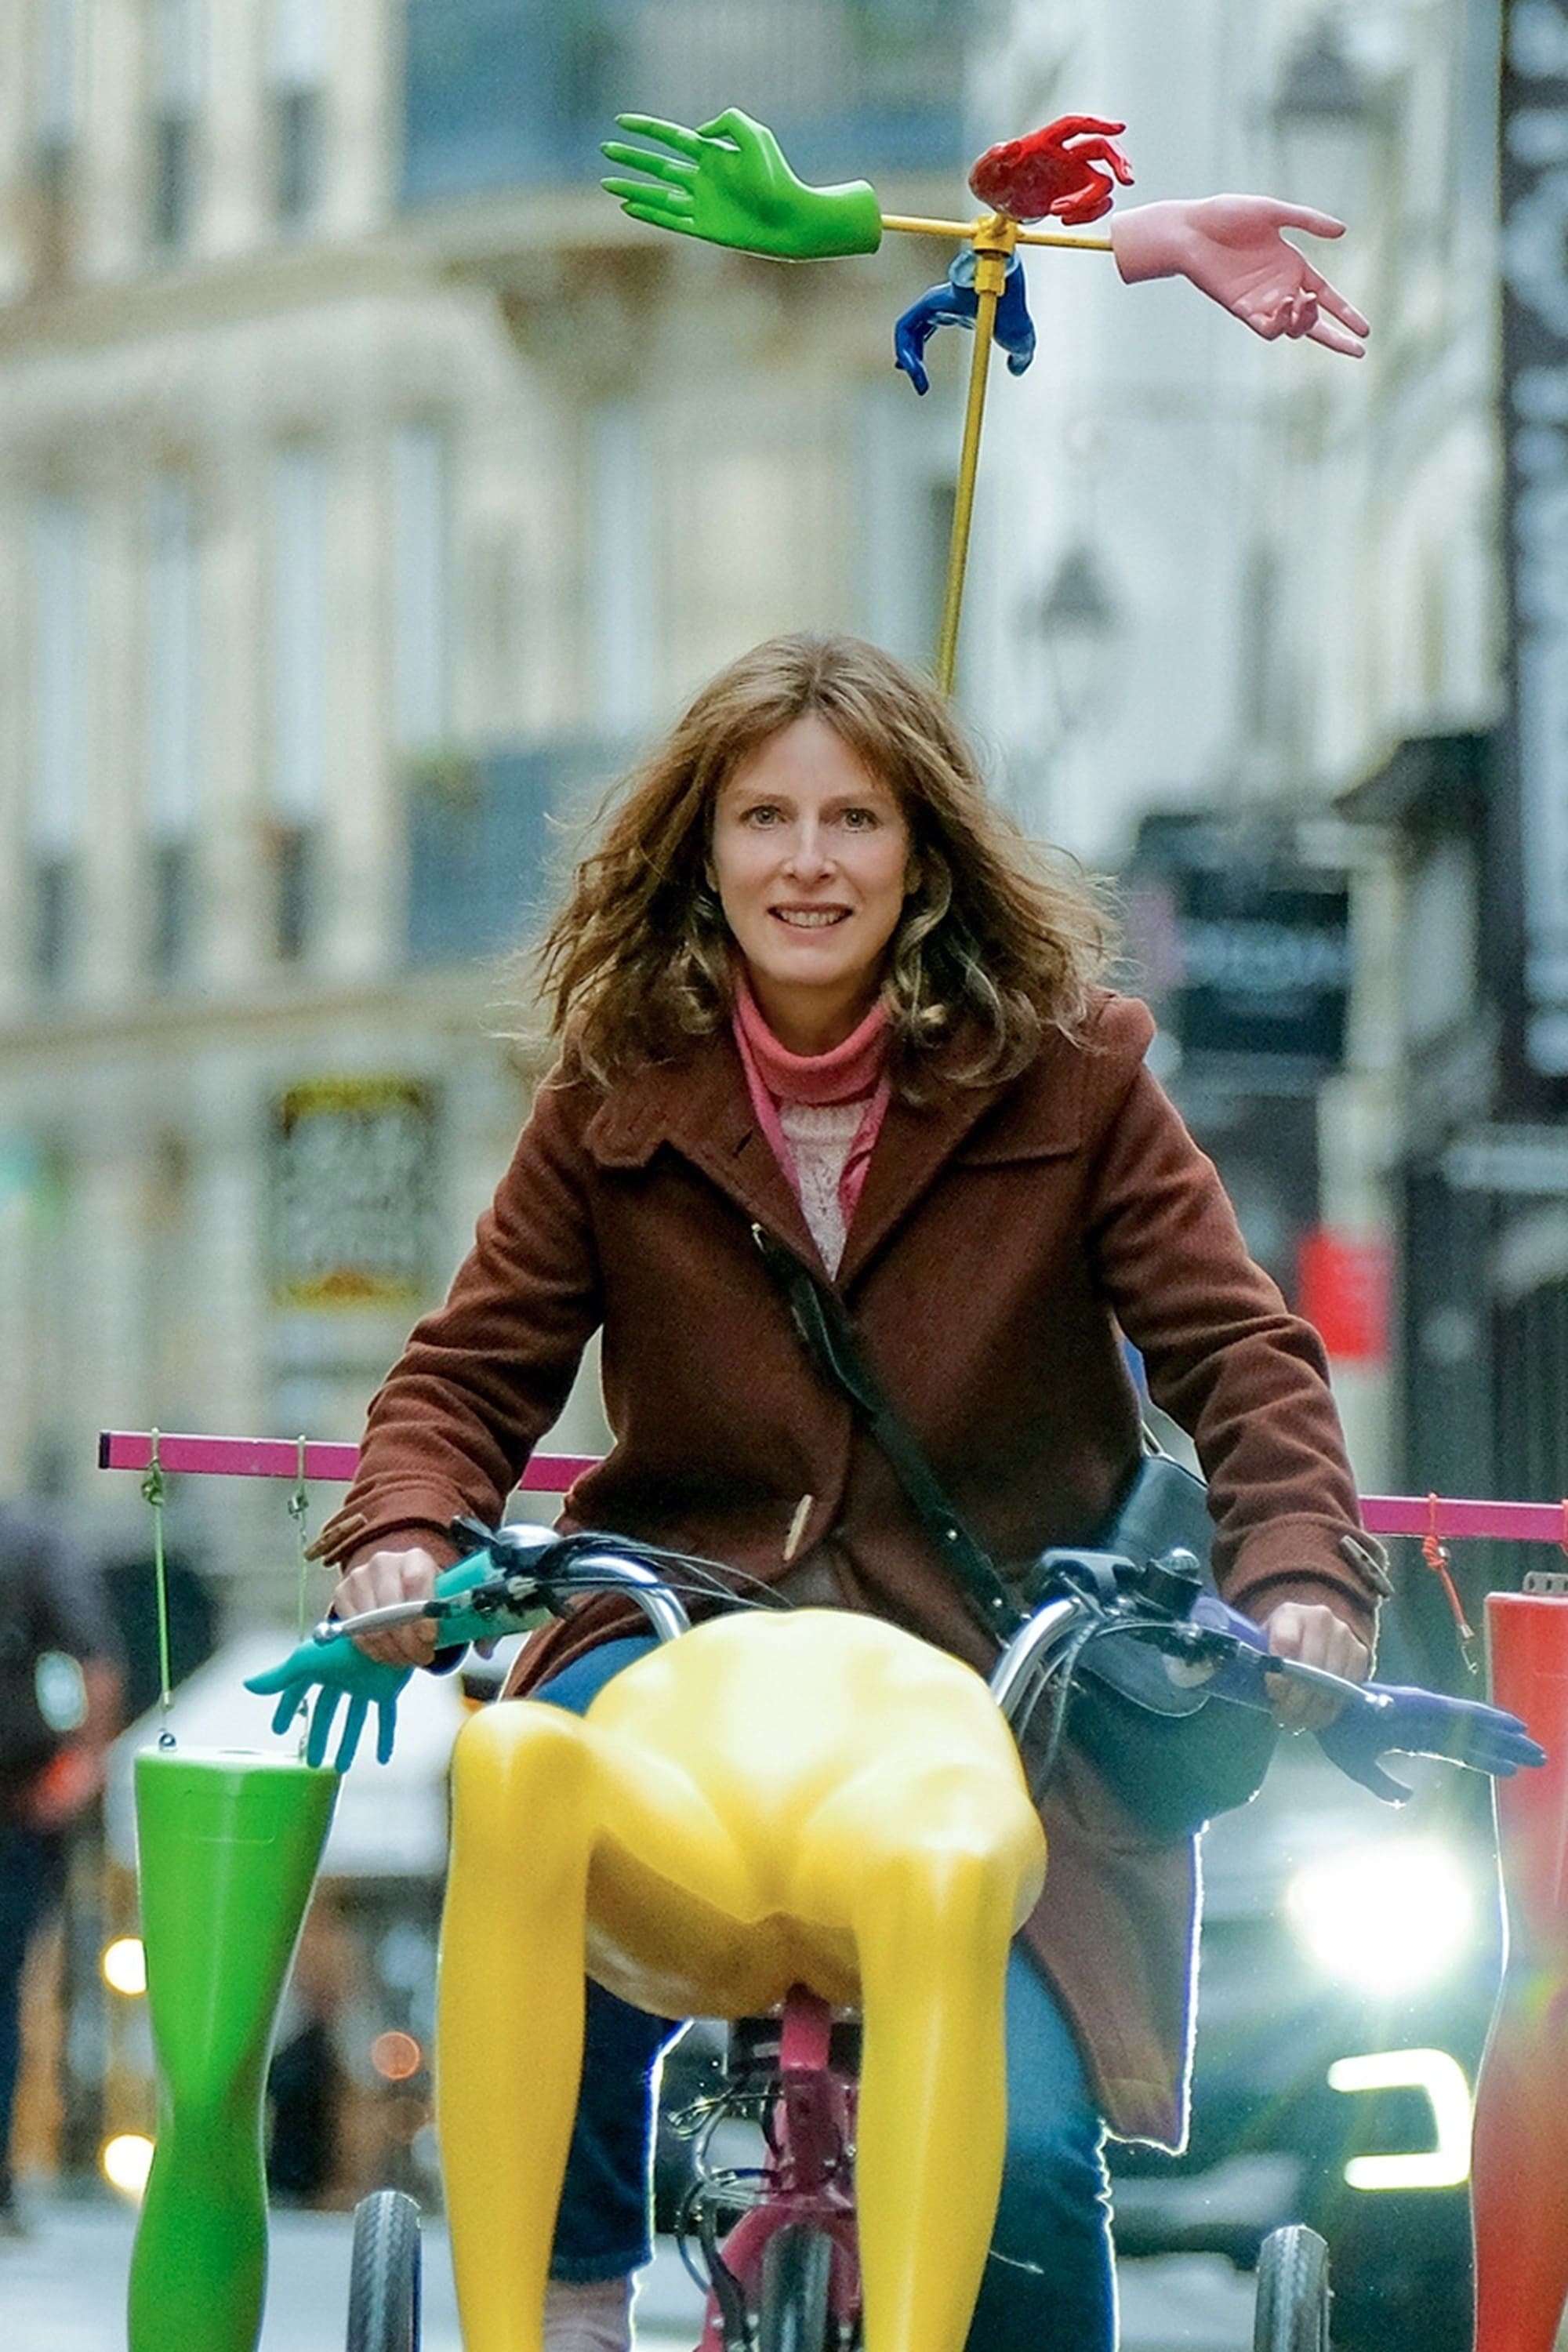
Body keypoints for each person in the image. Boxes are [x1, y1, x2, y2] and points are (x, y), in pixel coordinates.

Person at [310, 633, 1388, 2352]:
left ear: (922, 853)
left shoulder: (1077, 1075)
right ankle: (566, 2304)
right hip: (684, 1644)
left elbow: (1241, 1353)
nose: (807, 863)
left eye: (853, 820)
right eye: (765, 818)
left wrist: (1300, 1574)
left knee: (1024, 2162)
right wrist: (400, 1533)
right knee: (531, 1803)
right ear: (704, 850)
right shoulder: (613, 1089)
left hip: (991, 1689)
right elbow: (466, 1373)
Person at [0, 1500, 123, 2236]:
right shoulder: (31, 1542)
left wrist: (78, 1769)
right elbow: (98, 1659)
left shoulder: (27, 1544)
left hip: (13, 1809)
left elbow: (96, 1660)